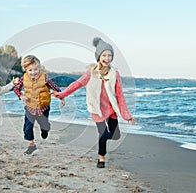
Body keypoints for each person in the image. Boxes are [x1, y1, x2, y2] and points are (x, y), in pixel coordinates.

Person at [52, 37, 136, 168]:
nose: (107, 58)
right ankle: (101, 158)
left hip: (111, 109)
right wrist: (62, 94)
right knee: (102, 133)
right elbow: (77, 84)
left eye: (110, 55)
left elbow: (120, 95)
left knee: (116, 135)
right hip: (97, 109)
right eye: (104, 55)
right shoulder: (91, 73)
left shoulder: (115, 74)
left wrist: (127, 115)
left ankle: (103, 149)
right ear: (98, 57)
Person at [14, 55, 65, 155]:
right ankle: (31, 145)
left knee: (44, 125)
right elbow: (16, 88)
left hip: (43, 107)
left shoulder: (45, 77)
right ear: (25, 70)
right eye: (30, 70)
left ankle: (45, 129)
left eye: (36, 69)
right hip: (30, 107)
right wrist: (21, 96)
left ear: (39, 67)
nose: (33, 72)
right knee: (27, 128)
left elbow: (55, 87)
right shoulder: (23, 78)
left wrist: (61, 97)